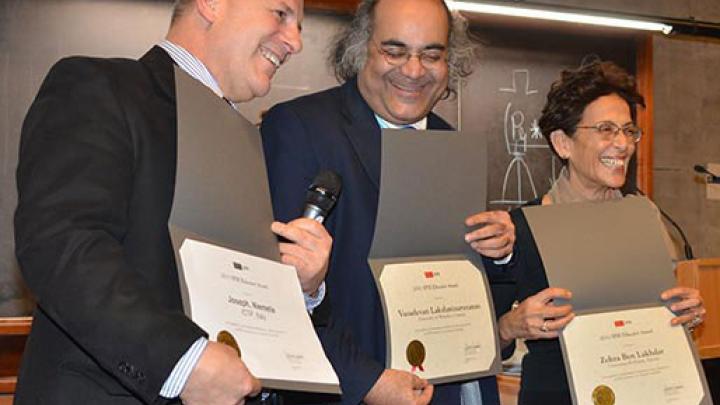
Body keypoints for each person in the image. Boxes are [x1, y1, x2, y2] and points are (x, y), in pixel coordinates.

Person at [14, 0, 334, 404]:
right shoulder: (101, 87)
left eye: (300, 26)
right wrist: (181, 361)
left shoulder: (251, 144)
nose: (295, 42)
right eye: (281, 14)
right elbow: (61, 243)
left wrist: (301, 288)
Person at [261, 0, 515, 403]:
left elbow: (474, 302)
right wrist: (364, 381)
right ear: (361, 49)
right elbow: (271, 290)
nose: (413, 71)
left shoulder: (454, 149)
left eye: (432, 54)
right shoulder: (299, 129)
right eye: (394, 51)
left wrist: (498, 254)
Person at [481, 60, 707, 404]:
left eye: (629, 131)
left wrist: (684, 314)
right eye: (605, 129)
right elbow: (478, 344)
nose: (623, 144)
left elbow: (658, 319)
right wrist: (511, 324)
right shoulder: (518, 229)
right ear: (562, 143)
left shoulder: (646, 217)